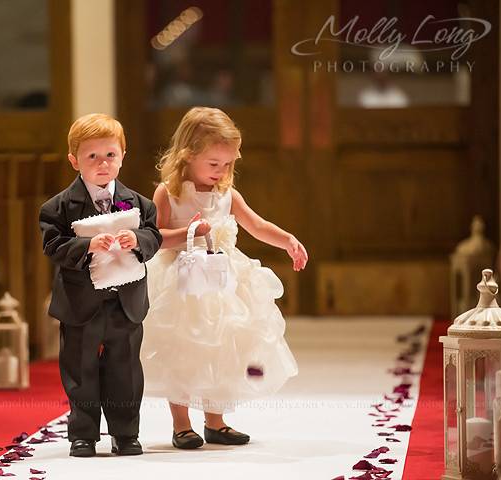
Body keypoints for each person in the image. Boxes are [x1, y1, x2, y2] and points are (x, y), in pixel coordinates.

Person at [141, 106, 308, 449]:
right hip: (182, 282)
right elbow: (154, 237)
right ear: (187, 156)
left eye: (228, 164)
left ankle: (216, 420)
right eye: (214, 164)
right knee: (183, 348)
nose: (221, 171)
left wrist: (288, 240)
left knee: (223, 346)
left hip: (222, 282)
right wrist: (189, 231)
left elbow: (257, 225)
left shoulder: (227, 195)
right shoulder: (168, 193)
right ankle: (182, 423)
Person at [39, 113, 162, 458]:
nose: (102, 163)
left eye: (110, 154)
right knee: (80, 370)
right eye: (92, 156)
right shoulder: (57, 207)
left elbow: (154, 236)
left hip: (125, 300)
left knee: (125, 368)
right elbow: (53, 246)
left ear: (123, 155)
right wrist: (86, 246)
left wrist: (136, 238)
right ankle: (83, 434)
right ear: (74, 160)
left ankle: (125, 433)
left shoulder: (139, 203)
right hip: (82, 302)